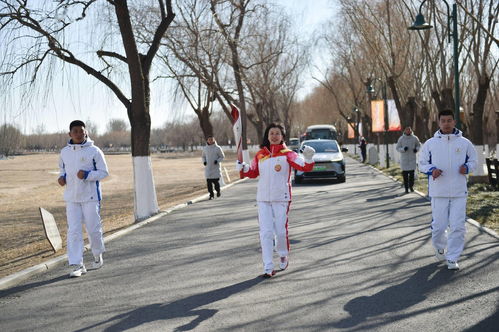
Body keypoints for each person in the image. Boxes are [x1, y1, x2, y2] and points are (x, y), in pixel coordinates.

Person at [235, 123, 315, 278]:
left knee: (280, 231)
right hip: (263, 199)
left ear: (282, 136)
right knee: (265, 232)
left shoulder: (288, 154)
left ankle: (283, 253)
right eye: (271, 133)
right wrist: (243, 168)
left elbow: (305, 167)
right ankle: (268, 266)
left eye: (277, 133)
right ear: (267, 136)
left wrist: (309, 158)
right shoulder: (260, 155)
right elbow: (253, 172)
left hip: (281, 198)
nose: (274, 136)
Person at [419, 110, 477, 270]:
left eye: (449, 120)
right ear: (438, 123)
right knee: (439, 226)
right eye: (443, 121)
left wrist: (467, 167)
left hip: (459, 192)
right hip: (439, 192)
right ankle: (439, 246)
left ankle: (452, 258)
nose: (446, 123)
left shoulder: (464, 143)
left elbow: (474, 160)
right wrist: (432, 170)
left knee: (458, 226)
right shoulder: (430, 143)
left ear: (454, 122)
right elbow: (422, 163)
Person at [58, 120, 109, 278]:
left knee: (93, 229)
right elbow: (63, 170)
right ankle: (77, 264)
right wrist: (62, 178)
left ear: (86, 132)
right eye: (75, 131)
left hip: (90, 197)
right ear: (70, 134)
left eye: (81, 131)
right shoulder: (64, 152)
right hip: (72, 198)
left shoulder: (94, 151)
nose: (79, 134)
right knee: (73, 231)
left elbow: (104, 172)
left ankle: (97, 254)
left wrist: (87, 175)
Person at [396, 126, 421, 193]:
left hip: (412, 159)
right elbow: (397, 148)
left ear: (411, 130)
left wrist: (416, 149)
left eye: (409, 129)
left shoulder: (414, 138)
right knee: (405, 176)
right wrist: (403, 149)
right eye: (406, 129)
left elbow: (418, 145)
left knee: (412, 176)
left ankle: (411, 187)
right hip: (404, 159)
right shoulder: (401, 138)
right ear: (404, 131)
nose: (408, 131)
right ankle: (406, 188)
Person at [202, 135, 225, 199]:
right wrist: (204, 161)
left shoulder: (217, 148)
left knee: (216, 183)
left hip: (215, 168)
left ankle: (218, 191)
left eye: (211, 139)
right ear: (207, 140)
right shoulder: (205, 148)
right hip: (208, 169)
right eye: (209, 140)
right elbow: (203, 156)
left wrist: (217, 161)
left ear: (214, 140)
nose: (210, 141)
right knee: (209, 183)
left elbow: (222, 156)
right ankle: (211, 195)